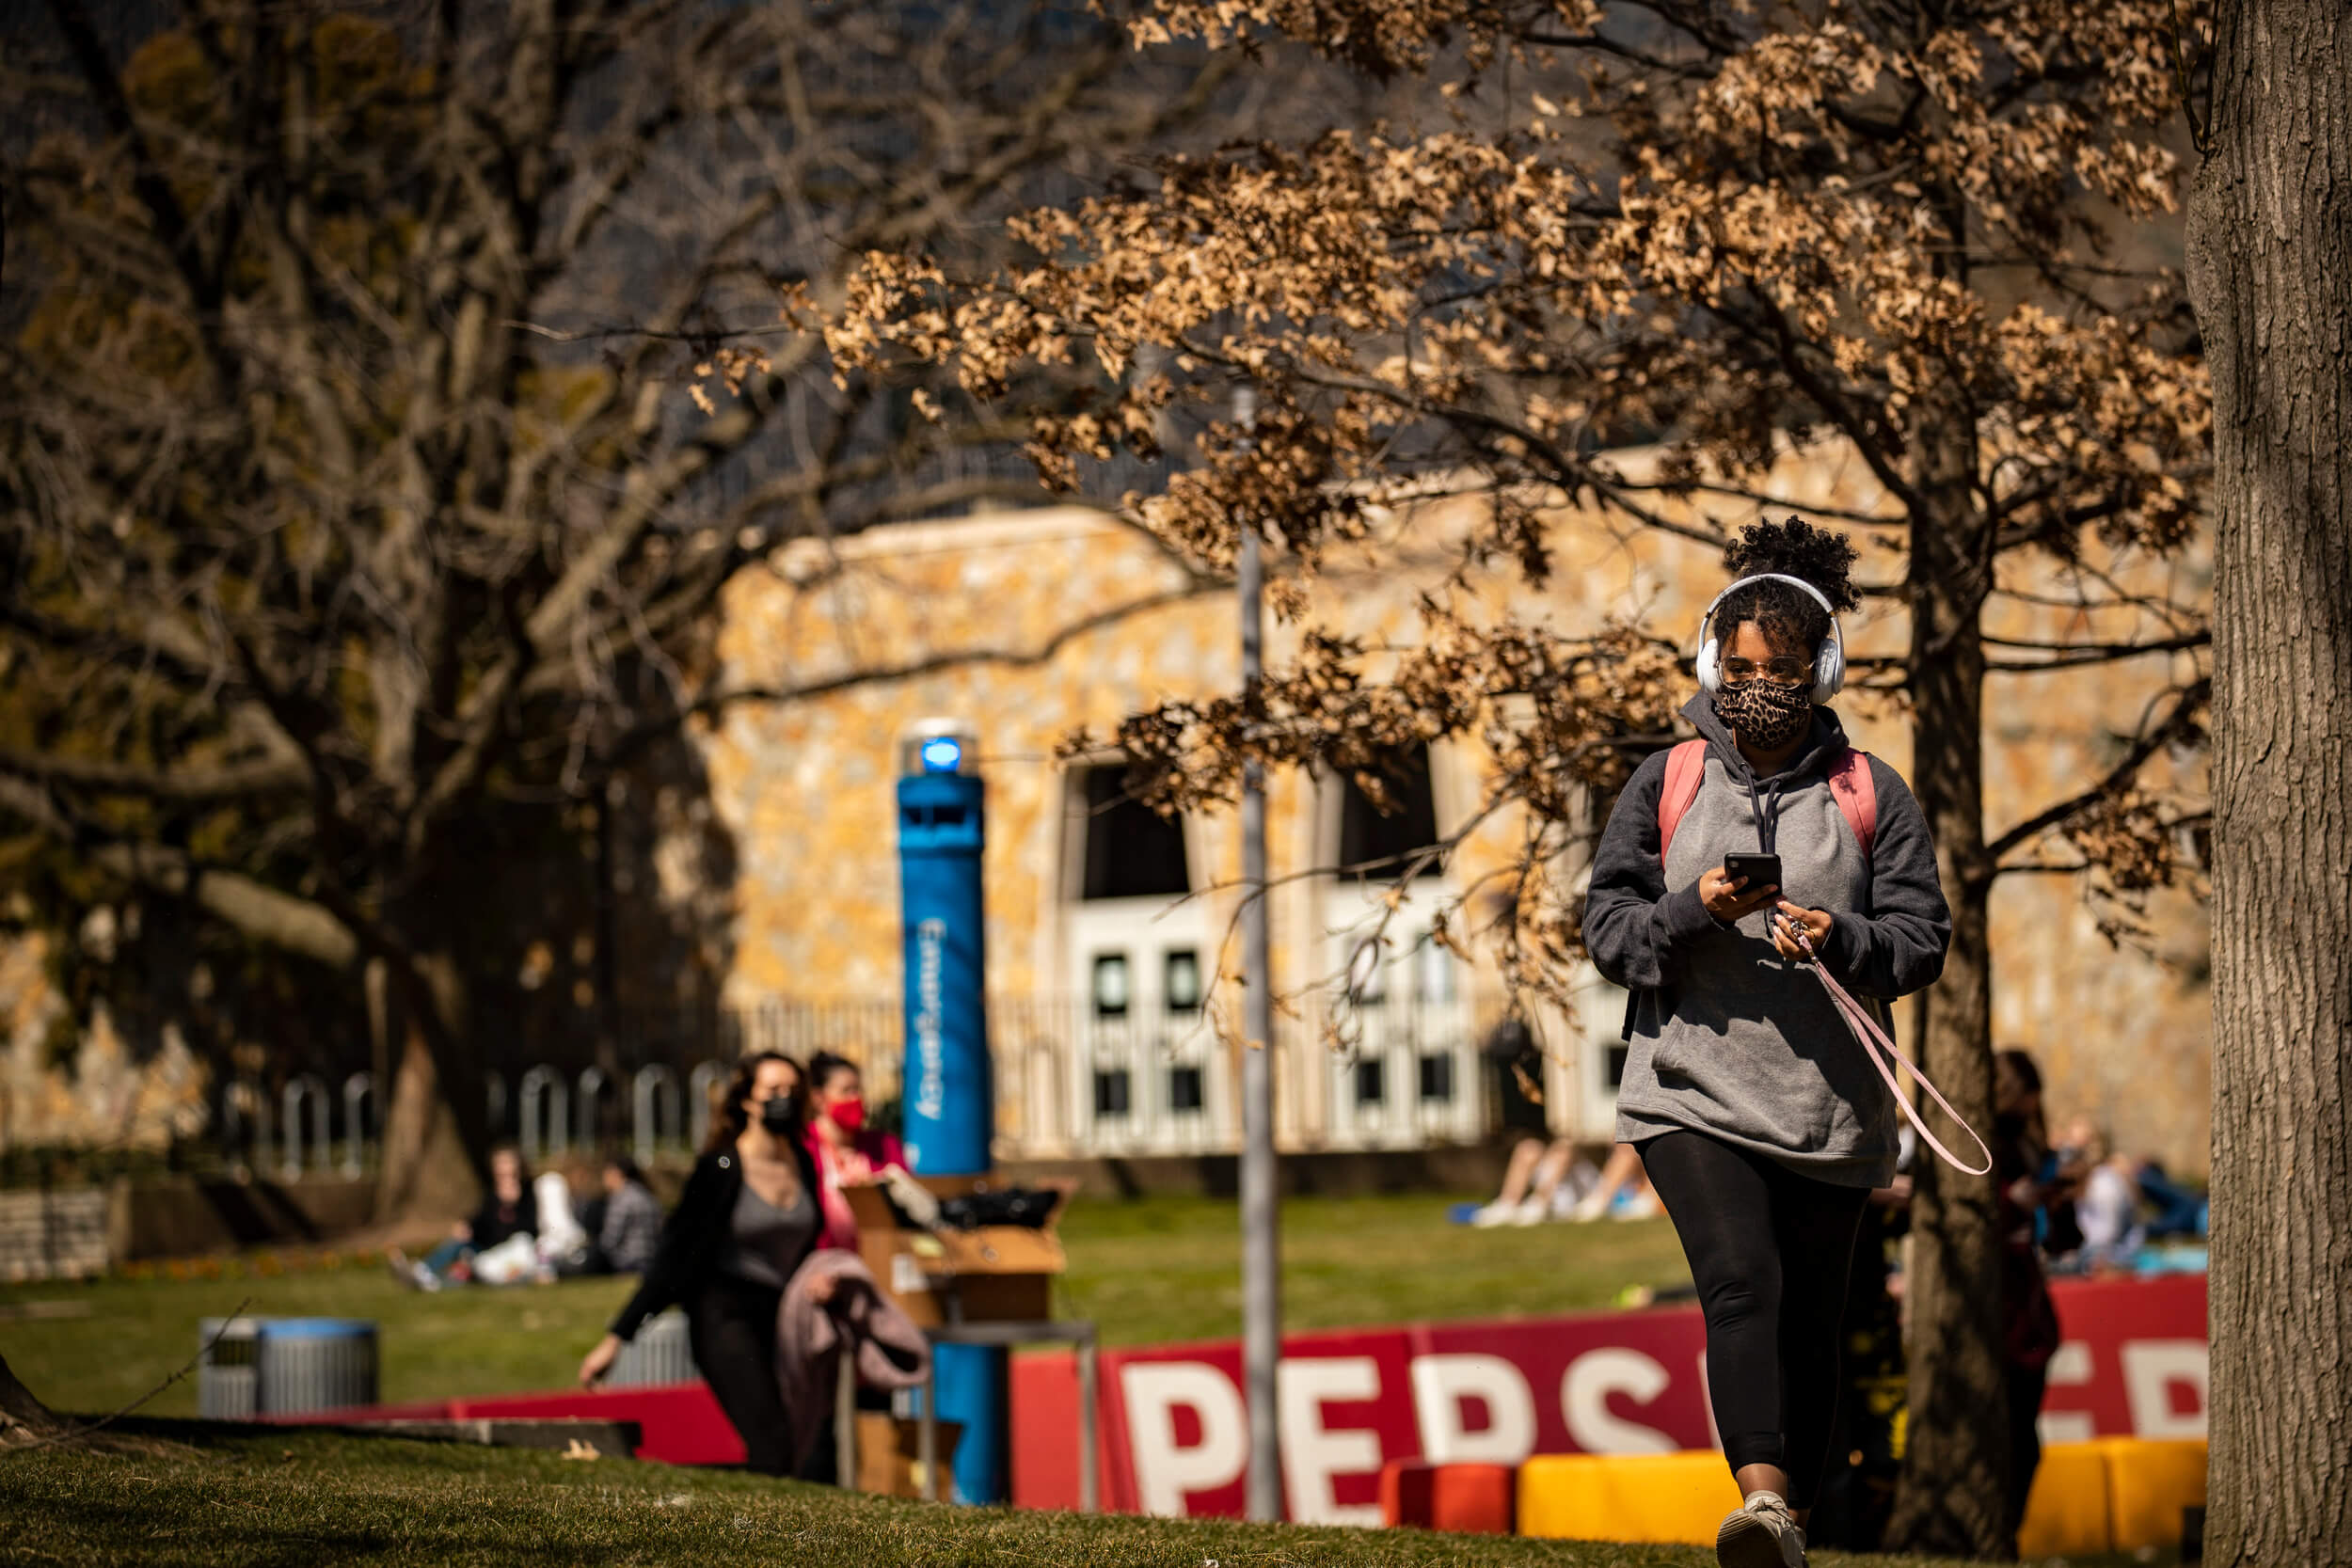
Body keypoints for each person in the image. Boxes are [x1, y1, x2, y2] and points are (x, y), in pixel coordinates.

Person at [1583, 517, 1953, 1568]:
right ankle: (1762, 1502)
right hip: (1688, 1087)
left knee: (1811, 1319)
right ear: (1710, 664)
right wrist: (1694, 907)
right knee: (1741, 1279)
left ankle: (1795, 1522)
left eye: (1781, 669)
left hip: (1827, 1107)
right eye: (1737, 667)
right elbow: (1609, 931)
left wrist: (1843, 934)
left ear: (1821, 670)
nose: (1757, 686)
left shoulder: (1872, 791)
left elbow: (1919, 940)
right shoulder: (1665, 779)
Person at [576, 1052, 835, 1477]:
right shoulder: (723, 1165)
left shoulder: (803, 1163)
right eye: (773, 1090)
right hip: (725, 1316)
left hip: (784, 1317)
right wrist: (617, 1338)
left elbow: (805, 1243)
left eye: (792, 1090)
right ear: (748, 1101)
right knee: (771, 1442)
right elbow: (674, 1256)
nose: (784, 1099)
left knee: (808, 1444)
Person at [1993, 1050, 2064, 1541]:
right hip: (1997, 1297)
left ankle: (2008, 1535)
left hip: (2027, 1298)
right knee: (2010, 1437)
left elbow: (2062, 1238)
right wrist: (2013, 1202)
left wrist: (2056, 1201)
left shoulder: (2031, 1144)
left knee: (2025, 1437)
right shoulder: (1988, 1140)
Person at [392, 1144, 537, 1290]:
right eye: (498, 1163)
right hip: (484, 1248)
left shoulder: (528, 1192)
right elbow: (479, 1220)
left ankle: (430, 1281)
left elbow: (528, 1230)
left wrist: (513, 1204)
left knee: (474, 1270)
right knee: (459, 1243)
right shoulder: (493, 1195)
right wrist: (467, 1226)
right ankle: (423, 1270)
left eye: (506, 1162)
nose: (502, 1168)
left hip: (508, 1254)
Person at [804, 1051, 906, 1250]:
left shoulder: (885, 1145)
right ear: (818, 1098)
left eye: (858, 1090)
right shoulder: (804, 1146)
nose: (856, 1098)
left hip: (880, 1258)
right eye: (846, 1091)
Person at [556, 1153, 664, 1277]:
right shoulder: (645, 1194)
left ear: (616, 1173)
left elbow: (610, 1240)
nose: (604, 1177)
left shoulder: (622, 1198)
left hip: (627, 1262)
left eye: (606, 1172)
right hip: (650, 1259)